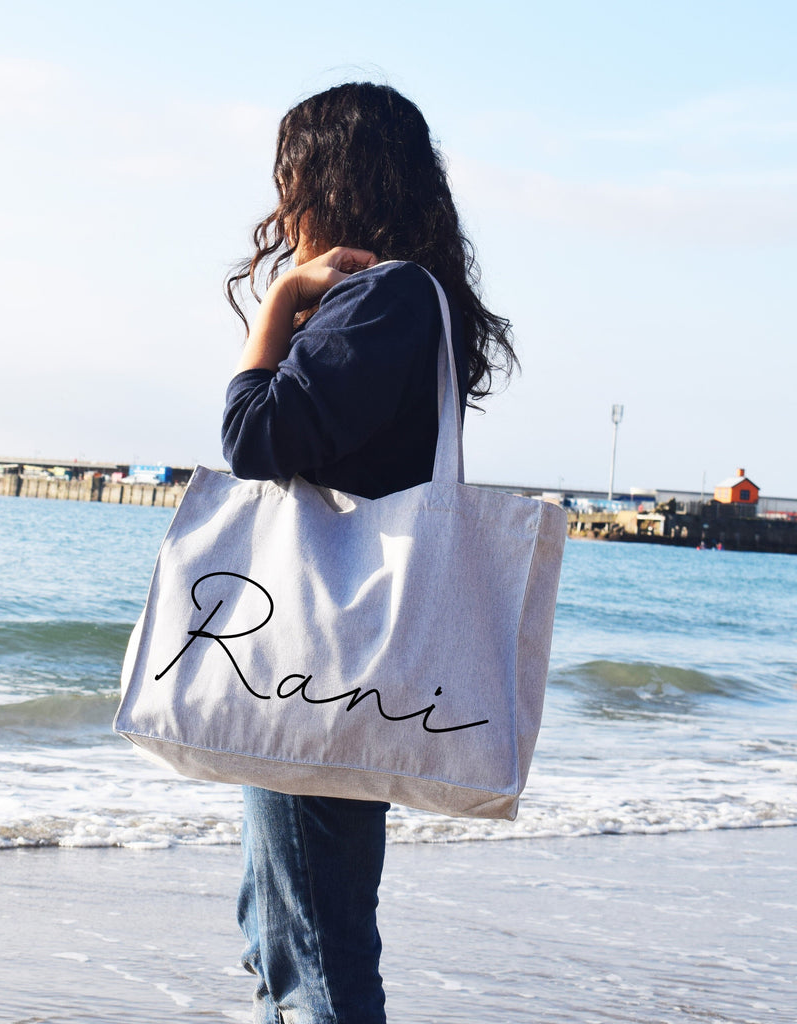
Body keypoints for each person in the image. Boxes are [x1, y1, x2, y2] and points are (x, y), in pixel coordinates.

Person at [221, 82, 517, 1024]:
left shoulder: (385, 299)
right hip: (349, 655)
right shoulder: (410, 301)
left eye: (290, 176)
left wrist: (278, 306)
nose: (281, 202)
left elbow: (256, 438)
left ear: (330, 181)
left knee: (312, 947)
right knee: (293, 931)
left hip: (317, 664)